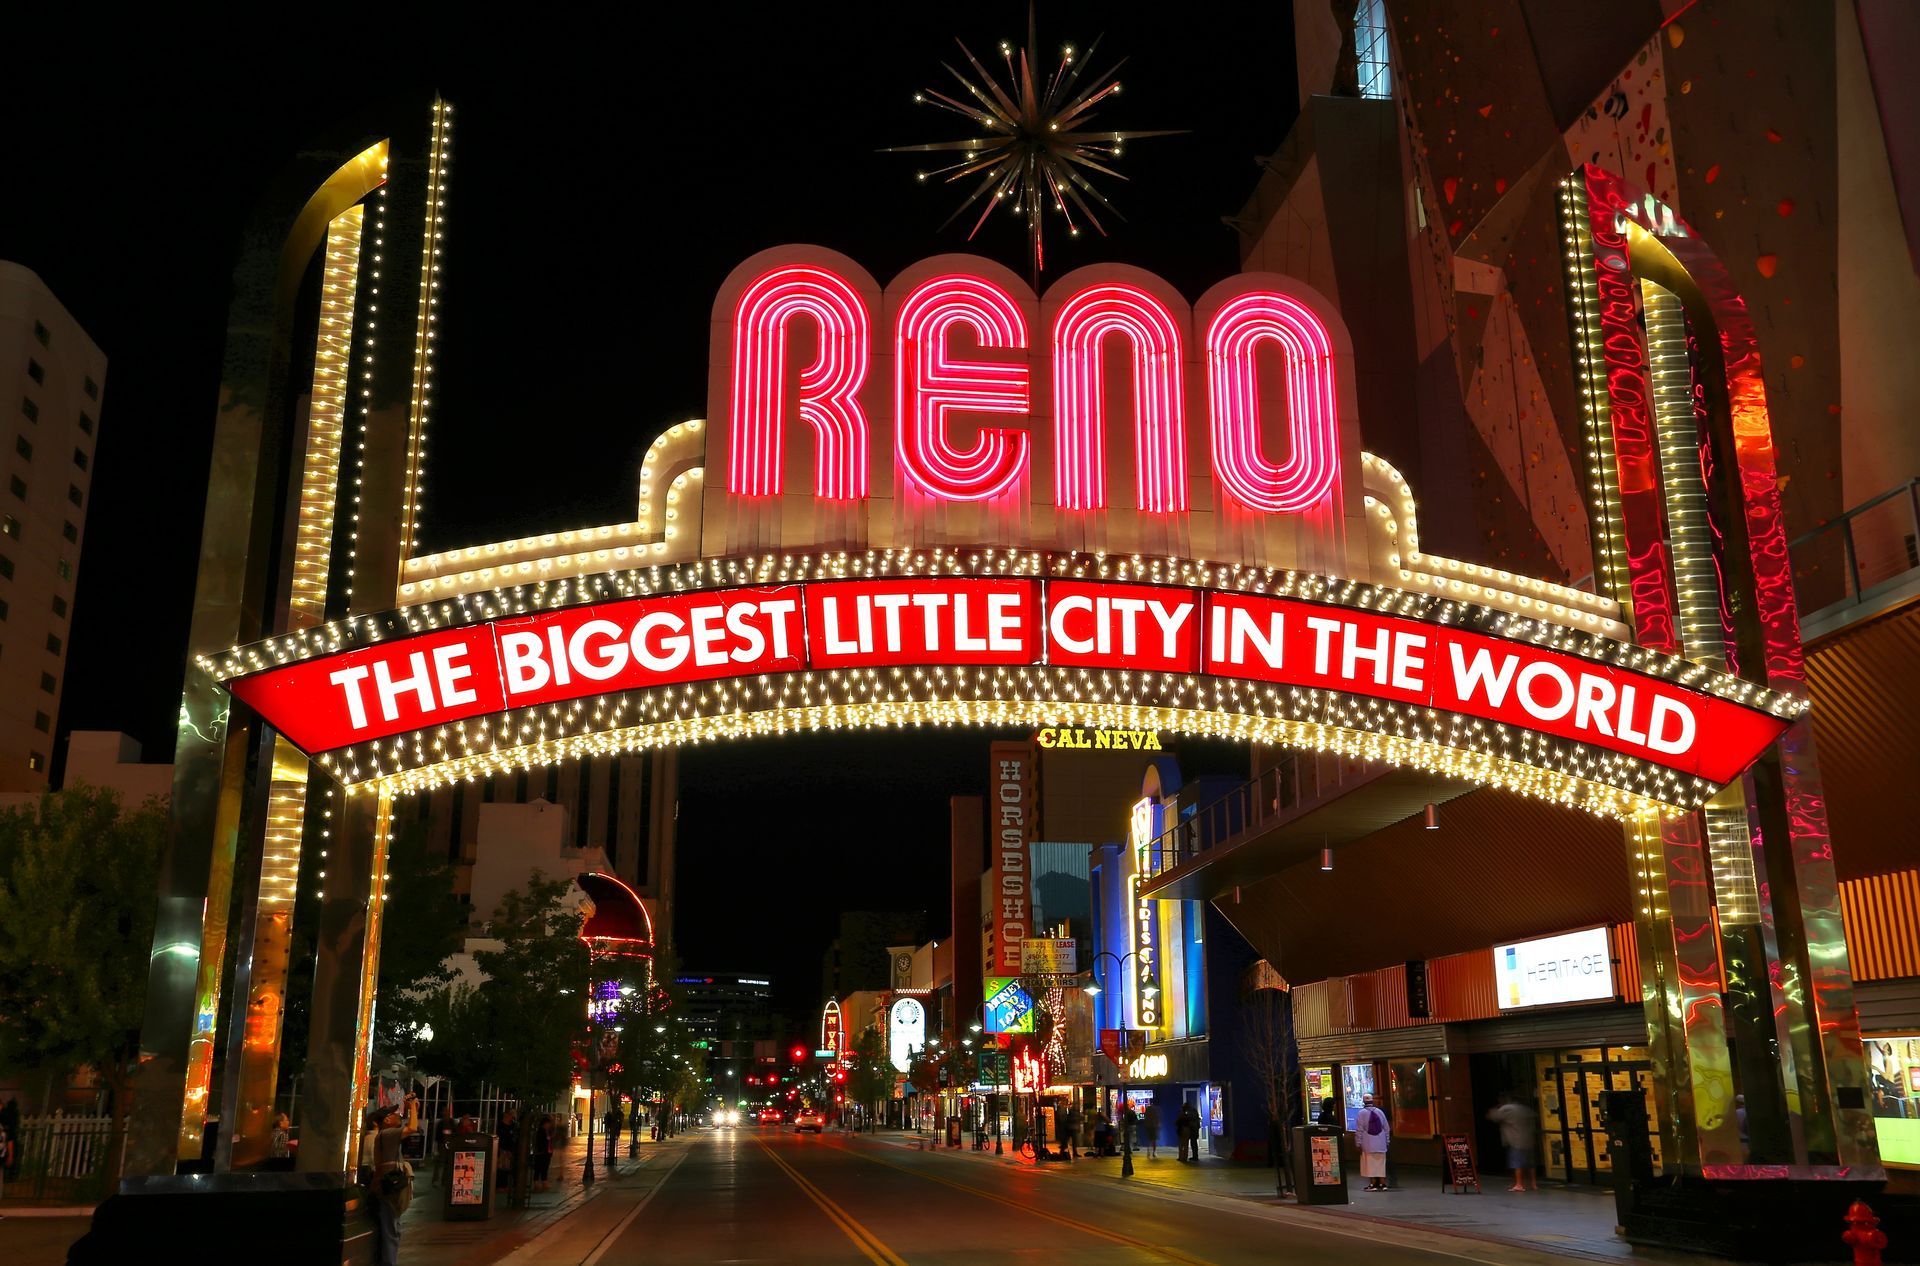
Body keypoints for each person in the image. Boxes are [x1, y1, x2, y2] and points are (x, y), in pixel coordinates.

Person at [362, 1099, 416, 1266]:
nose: (398, 1116)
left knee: (392, 1227)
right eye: (394, 1114)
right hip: (388, 1189)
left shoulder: (386, 1135)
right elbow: (412, 1128)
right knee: (391, 1229)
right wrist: (413, 1107)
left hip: (386, 1187)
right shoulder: (387, 1134)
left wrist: (411, 1109)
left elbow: (408, 1125)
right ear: (386, 1120)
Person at [1487, 1093, 1538, 1192]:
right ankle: (1534, 1184)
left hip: (1516, 1140)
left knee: (1517, 1163)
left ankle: (1519, 1184)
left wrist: (1494, 1110)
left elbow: (1493, 1116)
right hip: (1528, 1139)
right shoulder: (1523, 1109)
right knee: (1530, 1164)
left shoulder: (1507, 1108)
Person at [1354, 1092, 1391, 1191]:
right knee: (1380, 1164)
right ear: (1372, 1101)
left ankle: (1372, 1184)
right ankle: (1383, 1184)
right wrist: (1387, 1141)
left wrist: (1358, 1143)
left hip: (1368, 1143)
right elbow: (1386, 1128)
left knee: (1369, 1164)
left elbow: (1359, 1130)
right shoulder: (1380, 1112)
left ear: (1363, 1101)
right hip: (1381, 1143)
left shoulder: (1361, 1113)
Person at [497, 1109, 521, 1203]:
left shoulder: (513, 1126)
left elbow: (515, 1135)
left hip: (511, 1149)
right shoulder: (501, 1126)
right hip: (504, 1149)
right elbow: (502, 1138)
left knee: (509, 1167)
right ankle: (501, 1185)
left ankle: (507, 1185)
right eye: (510, 1115)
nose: (512, 1117)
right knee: (503, 1167)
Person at [431, 1107, 455, 1189]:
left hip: (448, 1145)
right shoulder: (441, 1123)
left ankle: (443, 1181)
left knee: (447, 1164)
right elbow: (438, 1135)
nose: (446, 1113)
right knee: (440, 1163)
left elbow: (455, 1133)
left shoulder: (450, 1122)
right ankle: (436, 1180)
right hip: (442, 1145)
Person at [531, 1114, 553, 1191]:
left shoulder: (547, 1131)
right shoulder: (540, 1132)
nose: (549, 1125)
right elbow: (539, 1142)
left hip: (547, 1152)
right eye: (548, 1123)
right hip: (541, 1153)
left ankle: (544, 1182)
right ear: (545, 1123)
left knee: (544, 1168)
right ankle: (537, 1183)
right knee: (539, 1168)